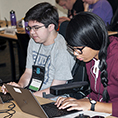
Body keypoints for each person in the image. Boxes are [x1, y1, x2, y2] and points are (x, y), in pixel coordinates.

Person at [1, 2, 75, 97]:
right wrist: (19, 86)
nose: (32, 32)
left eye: (36, 28)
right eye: (30, 28)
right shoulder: (34, 41)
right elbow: (28, 73)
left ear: (51, 27)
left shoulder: (62, 49)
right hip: (34, 95)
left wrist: (28, 97)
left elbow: (55, 89)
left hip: (53, 101)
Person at [55, 12, 118, 117]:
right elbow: (96, 94)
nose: (75, 54)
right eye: (72, 49)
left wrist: (91, 106)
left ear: (93, 40)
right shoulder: (91, 57)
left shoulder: (115, 57)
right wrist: (77, 102)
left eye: (78, 49)